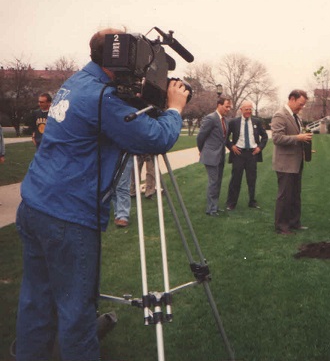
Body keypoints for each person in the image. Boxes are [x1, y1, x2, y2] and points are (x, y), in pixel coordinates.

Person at [15, 28, 190, 361]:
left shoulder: (77, 81)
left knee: (36, 302)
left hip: (35, 205)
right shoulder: (101, 98)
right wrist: (175, 108)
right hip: (68, 217)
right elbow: (154, 138)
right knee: (77, 313)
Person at [271, 89, 312, 235]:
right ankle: (281, 226)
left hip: (296, 162)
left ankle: (294, 223)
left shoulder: (296, 117)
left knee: (295, 194)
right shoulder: (280, 115)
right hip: (285, 164)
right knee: (285, 196)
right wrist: (298, 138)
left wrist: (304, 148)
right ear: (292, 99)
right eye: (300, 104)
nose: (301, 108)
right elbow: (277, 138)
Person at [225, 100, 268, 210]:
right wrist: (231, 146)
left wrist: (259, 148)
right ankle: (231, 203)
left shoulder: (256, 122)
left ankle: (252, 201)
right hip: (238, 153)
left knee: (252, 179)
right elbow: (225, 137)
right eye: (246, 109)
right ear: (241, 110)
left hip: (252, 154)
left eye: (250, 109)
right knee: (236, 179)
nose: (248, 111)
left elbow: (265, 136)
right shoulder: (234, 122)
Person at [197, 95, 232, 216]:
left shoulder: (225, 120)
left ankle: (214, 207)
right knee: (213, 182)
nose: (228, 109)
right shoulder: (210, 118)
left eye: (229, 107)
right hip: (210, 156)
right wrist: (202, 150)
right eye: (226, 106)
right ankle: (211, 209)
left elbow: (224, 139)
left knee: (218, 181)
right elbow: (201, 136)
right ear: (219, 105)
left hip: (221, 155)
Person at [112, 155, 134, 227]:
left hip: (126, 152)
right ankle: (117, 213)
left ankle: (123, 215)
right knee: (112, 185)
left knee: (122, 184)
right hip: (111, 152)